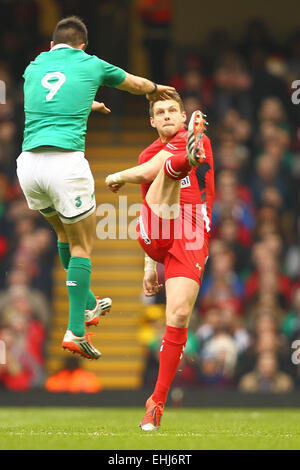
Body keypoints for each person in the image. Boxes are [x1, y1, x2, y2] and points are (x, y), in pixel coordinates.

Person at [16, 16, 176, 360]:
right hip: (65, 165)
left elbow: (47, 104)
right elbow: (131, 83)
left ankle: (88, 302)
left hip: (28, 165)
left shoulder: (34, 67)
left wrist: (85, 105)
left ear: (51, 45)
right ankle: (77, 327)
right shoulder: (90, 63)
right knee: (83, 245)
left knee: (64, 235)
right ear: (83, 45)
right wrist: (154, 89)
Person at [106, 91, 214, 430]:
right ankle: (179, 166)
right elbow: (146, 201)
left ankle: (156, 403)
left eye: (172, 111)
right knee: (163, 172)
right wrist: (149, 266)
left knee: (179, 313)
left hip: (192, 232)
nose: (167, 116)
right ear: (152, 121)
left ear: (184, 118)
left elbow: (144, 173)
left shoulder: (196, 138)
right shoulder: (147, 155)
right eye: (160, 112)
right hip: (158, 227)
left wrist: (119, 175)